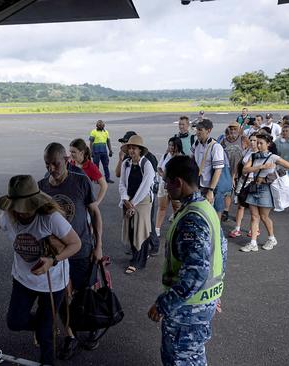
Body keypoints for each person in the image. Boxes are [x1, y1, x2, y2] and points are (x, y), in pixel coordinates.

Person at [0, 175, 82, 365]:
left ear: (37, 203)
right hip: (23, 279)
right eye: (17, 208)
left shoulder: (51, 218)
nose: (21, 213)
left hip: (52, 282)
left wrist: (52, 260)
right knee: (15, 321)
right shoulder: (10, 215)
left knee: (46, 336)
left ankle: (47, 353)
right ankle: (42, 326)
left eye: (26, 208)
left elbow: (75, 244)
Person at [148, 155, 227, 366]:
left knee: (179, 359)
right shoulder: (205, 207)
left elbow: (195, 273)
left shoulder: (192, 218)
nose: (165, 186)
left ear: (178, 182)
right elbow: (221, 251)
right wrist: (216, 292)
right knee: (194, 356)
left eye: (167, 182)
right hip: (204, 302)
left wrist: (164, 304)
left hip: (188, 309)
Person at [39, 142, 103, 359]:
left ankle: (92, 326)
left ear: (65, 160)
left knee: (85, 292)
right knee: (62, 296)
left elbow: (95, 214)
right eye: (47, 165)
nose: (51, 169)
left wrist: (99, 245)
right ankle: (70, 335)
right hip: (56, 254)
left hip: (82, 248)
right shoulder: (41, 187)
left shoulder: (81, 181)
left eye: (55, 164)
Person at [240, 133, 289, 252]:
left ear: (268, 144)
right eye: (257, 142)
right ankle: (253, 242)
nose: (258, 145)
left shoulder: (273, 157)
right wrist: (261, 167)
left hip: (266, 189)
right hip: (254, 187)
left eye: (261, 143)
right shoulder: (254, 156)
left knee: (264, 217)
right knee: (254, 217)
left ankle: (271, 238)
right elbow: (245, 170)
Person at [116, 131, 161, 256]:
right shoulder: (126, 161)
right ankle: (135, 249)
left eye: (133, 147)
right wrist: (125, 199)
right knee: (131, 226)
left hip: (143, 199)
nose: (130, 150)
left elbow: (146, 186)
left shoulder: (148, 161)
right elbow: (120, 179)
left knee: (145, 226)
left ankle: (150, 248)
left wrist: (132, 203)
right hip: (129, 199)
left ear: (140, 149)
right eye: (128, 147)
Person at [228, 134, 259, 238]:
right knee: (240, 206)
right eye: (251, 140)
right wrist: (233, 176)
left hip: (253, 181)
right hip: (242, 180)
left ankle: (254, 229)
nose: (252, 142)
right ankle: (237, 228)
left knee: (252, 207)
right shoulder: (247, 151)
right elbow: (239, 164)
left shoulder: (260, 154)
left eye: (255, 140)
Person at [191, 119, 225, 207]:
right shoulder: (196, 144)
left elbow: (218, 170)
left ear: (208, 130)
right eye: (197, 130)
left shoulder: (216, 147)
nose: (197, 132)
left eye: (200, 130)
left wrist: (210, 191)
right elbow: (192, 160)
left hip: (208, 186)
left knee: (207, 212)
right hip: (197, 184)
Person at [155, 137, 184, 237]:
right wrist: (163, 175)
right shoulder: (165, 155)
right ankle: (157, 229)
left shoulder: (181, 158)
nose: (171, 147)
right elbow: (158, 167)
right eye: (170, 145)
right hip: (163, 185)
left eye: (173, 145)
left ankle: (177, 229)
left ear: (178, 146)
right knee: (162, 207)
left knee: (177, 208)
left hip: (175, 187)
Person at [220, 121, 248, 221]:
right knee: (228, 192)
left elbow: (249, 152)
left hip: (240, 171)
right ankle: (226, 211)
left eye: (235, 129)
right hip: (227, 170)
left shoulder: (243, 139)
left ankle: (239, 214)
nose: (233, 131)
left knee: (240, 193)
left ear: (238, 130)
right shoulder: (224, 140)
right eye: (231, 129)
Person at [69, 138, 108, 205]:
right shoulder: (70, 163)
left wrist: (97, 203)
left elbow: (104, 185)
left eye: (73, 152)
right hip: (70, 200)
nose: (71, 154)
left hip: (83, 203)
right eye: (70, 152)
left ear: (81, 152)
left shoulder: (90, 167)